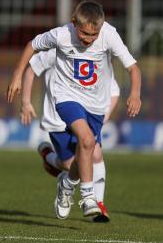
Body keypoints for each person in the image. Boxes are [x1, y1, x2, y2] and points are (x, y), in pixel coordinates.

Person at [6, 1, 141, 219]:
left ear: (102, 26)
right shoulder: (61, 35)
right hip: (66, 98)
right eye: (84, 34)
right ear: (73, 24)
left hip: (95, 105)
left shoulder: (109, 35)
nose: (88, 39)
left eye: (93, 35)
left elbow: (133, 68)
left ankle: (67, 184)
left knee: (82, 155)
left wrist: (135, 94)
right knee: (87, 142)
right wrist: (17, 76)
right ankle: (89, 197)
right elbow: (32, 45)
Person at [20, 48, 117, 223]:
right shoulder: (58, 50)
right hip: (57, 118)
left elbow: (113, 91)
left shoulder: (96, 54)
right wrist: (26, 102)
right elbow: (32, 68)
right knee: (70, 165)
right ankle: (49, 157)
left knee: (94, 152)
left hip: (86, 114)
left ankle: (99, 204)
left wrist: (104, 115)